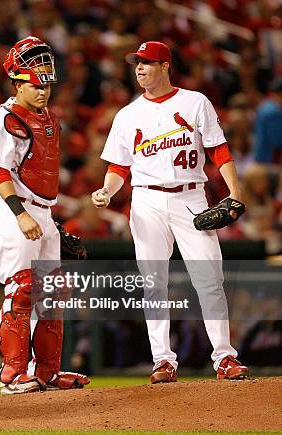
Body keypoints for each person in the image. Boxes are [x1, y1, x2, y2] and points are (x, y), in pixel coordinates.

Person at [91, 41, 250, 383]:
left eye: (147, 62)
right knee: (153, 284)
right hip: (146, 200)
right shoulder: (128, 114)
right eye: (137, 63)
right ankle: (162, 360)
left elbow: (219, 151)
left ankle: (224, 357)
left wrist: (235, 191)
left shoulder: (194, 102)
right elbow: (118, 167)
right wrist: (107, 190)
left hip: (191, 196)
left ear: (165, 66)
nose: (139, 68)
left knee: (209, 279)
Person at [0, 36, 89, 395]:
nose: (43, 90)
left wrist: (47, 222)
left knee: (53, 293)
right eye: (34, 83)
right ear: (16, 82)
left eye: (46, 83)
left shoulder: (48, 117)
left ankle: (46, 372)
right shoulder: (5, 119)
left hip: (41, 211)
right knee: (22, 287)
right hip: (9, 208)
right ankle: (12, 373)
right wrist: (21, 215)